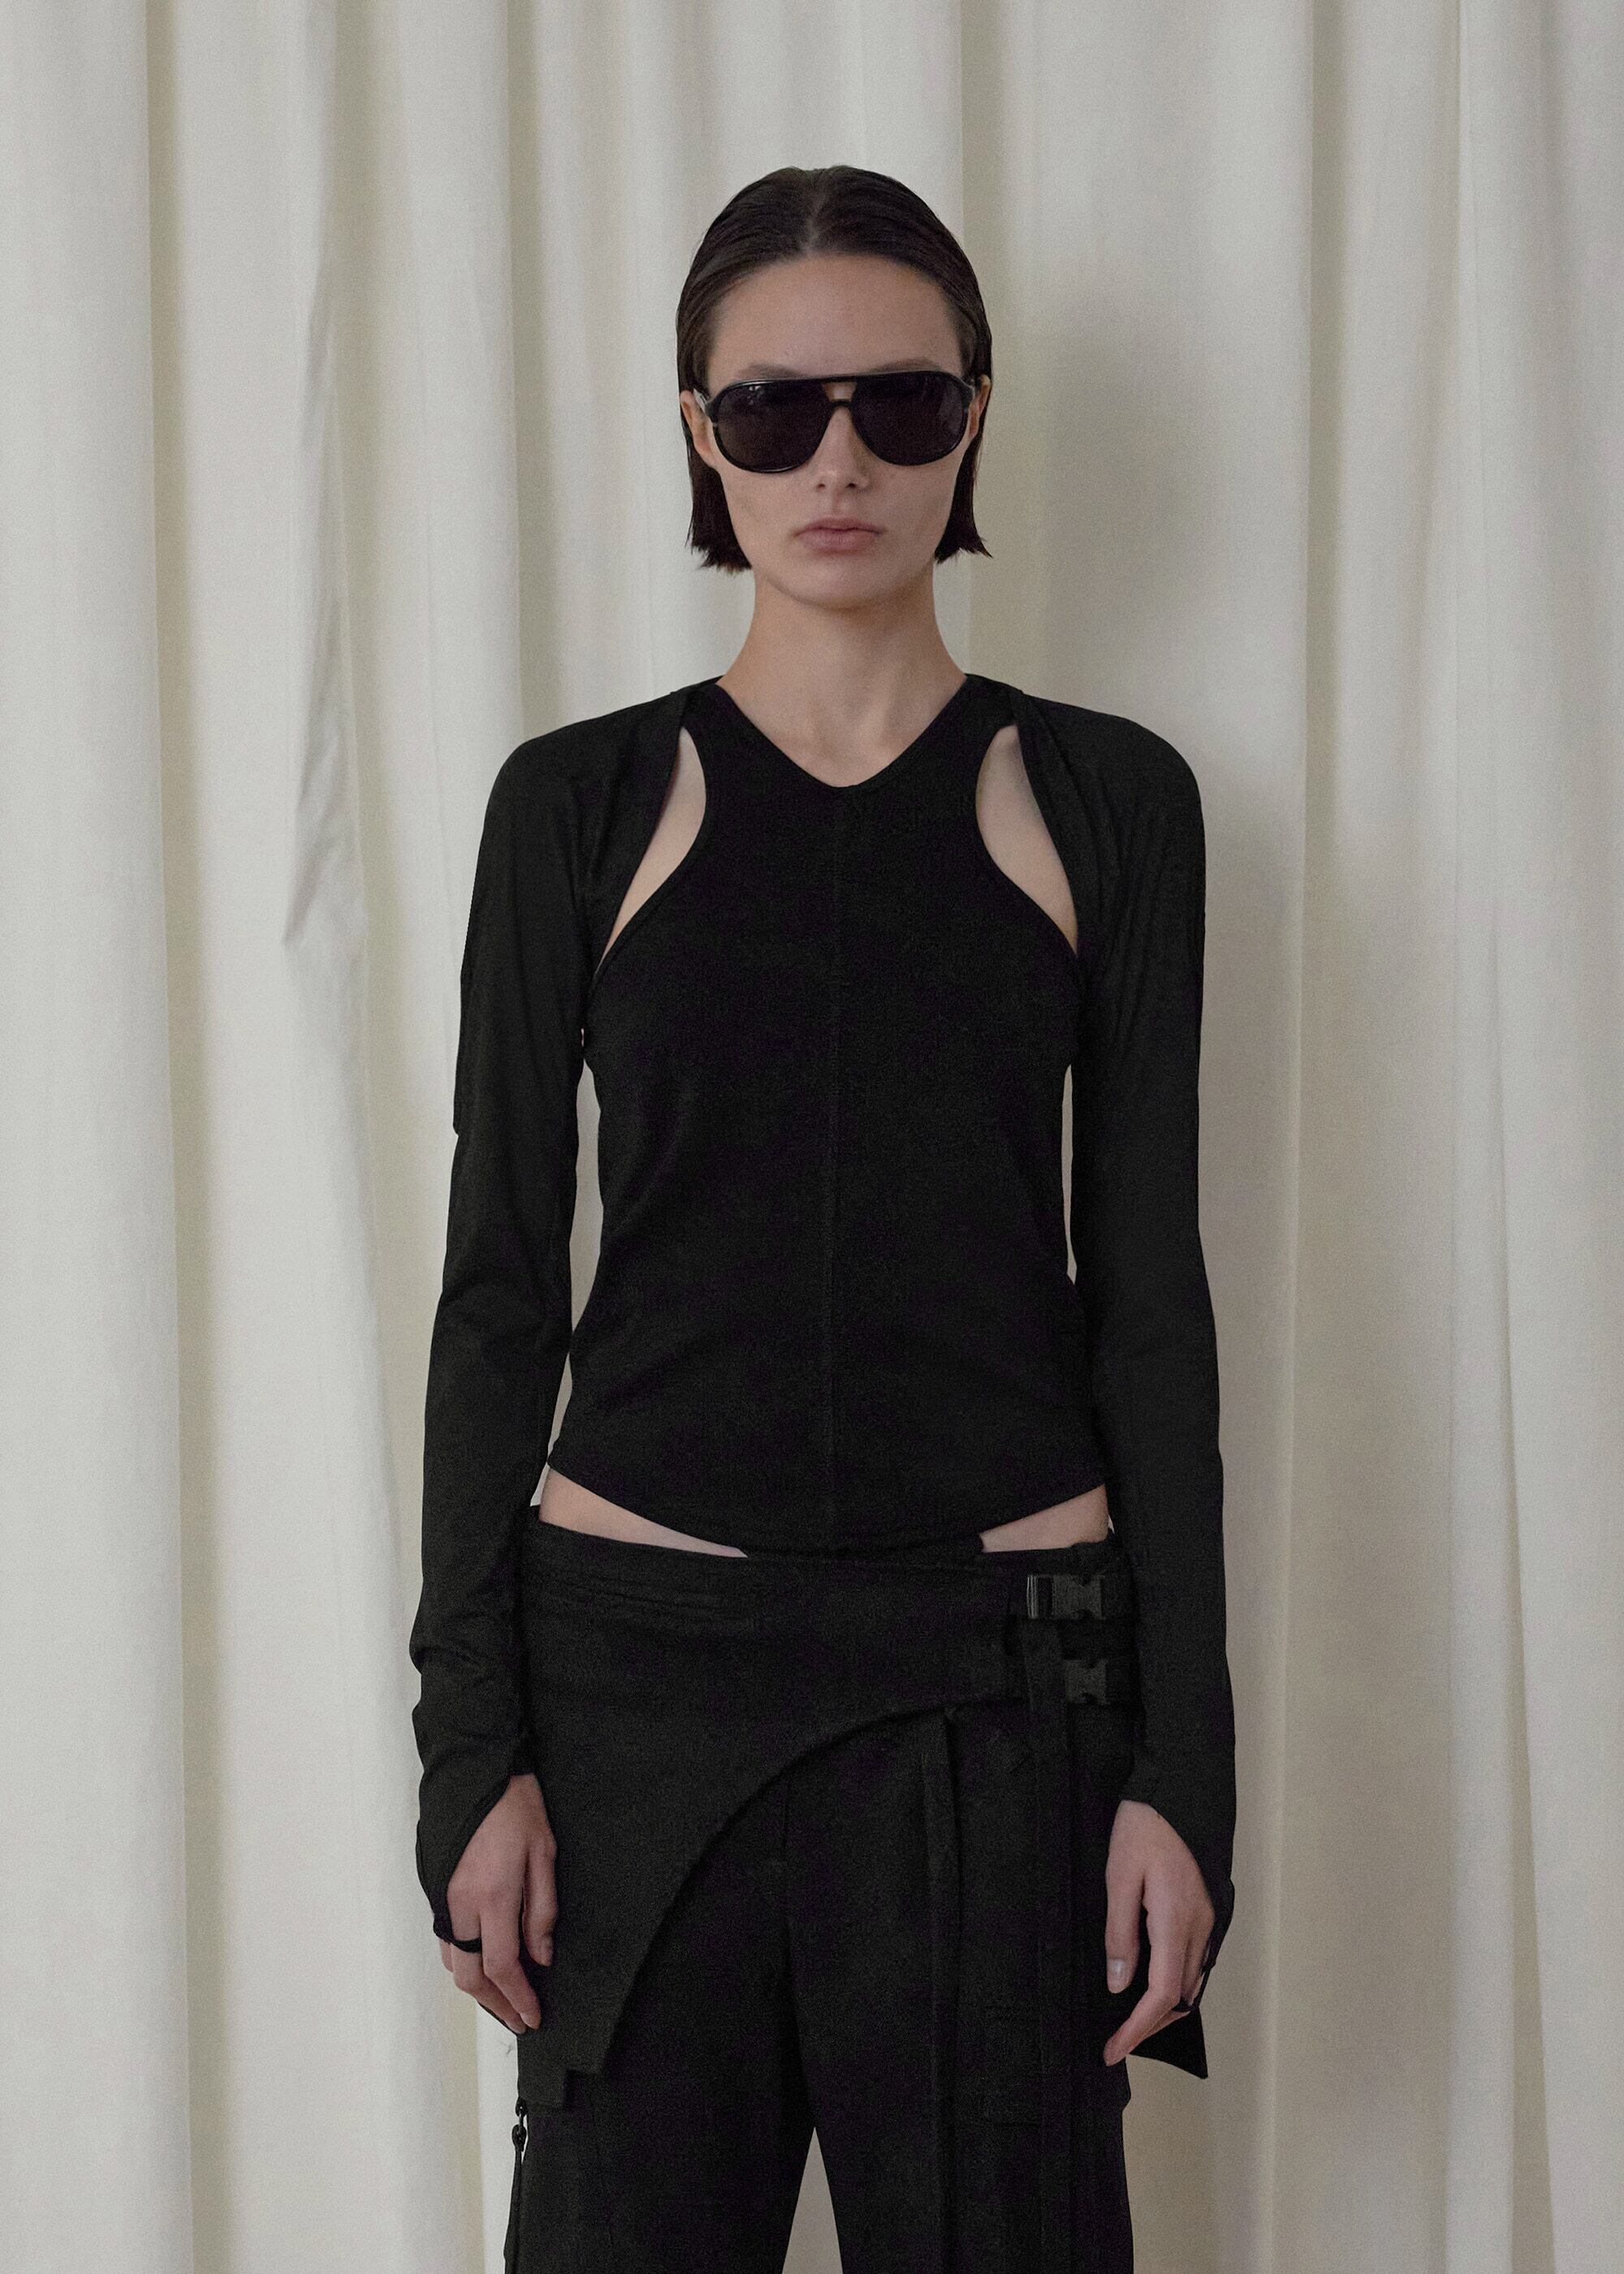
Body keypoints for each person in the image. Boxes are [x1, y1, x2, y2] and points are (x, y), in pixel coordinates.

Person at [408, 163, 1237, 2274]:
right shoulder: (578, 805)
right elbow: (498, 1293)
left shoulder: (1109, 802)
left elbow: (1150, 1303)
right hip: (637, 1690)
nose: (839, 462)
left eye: (901, 403)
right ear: (701, 432)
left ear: (976, 420)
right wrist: (472, 1750)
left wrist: (1185, 1771)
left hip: (1001, 1695)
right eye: (776, 412)